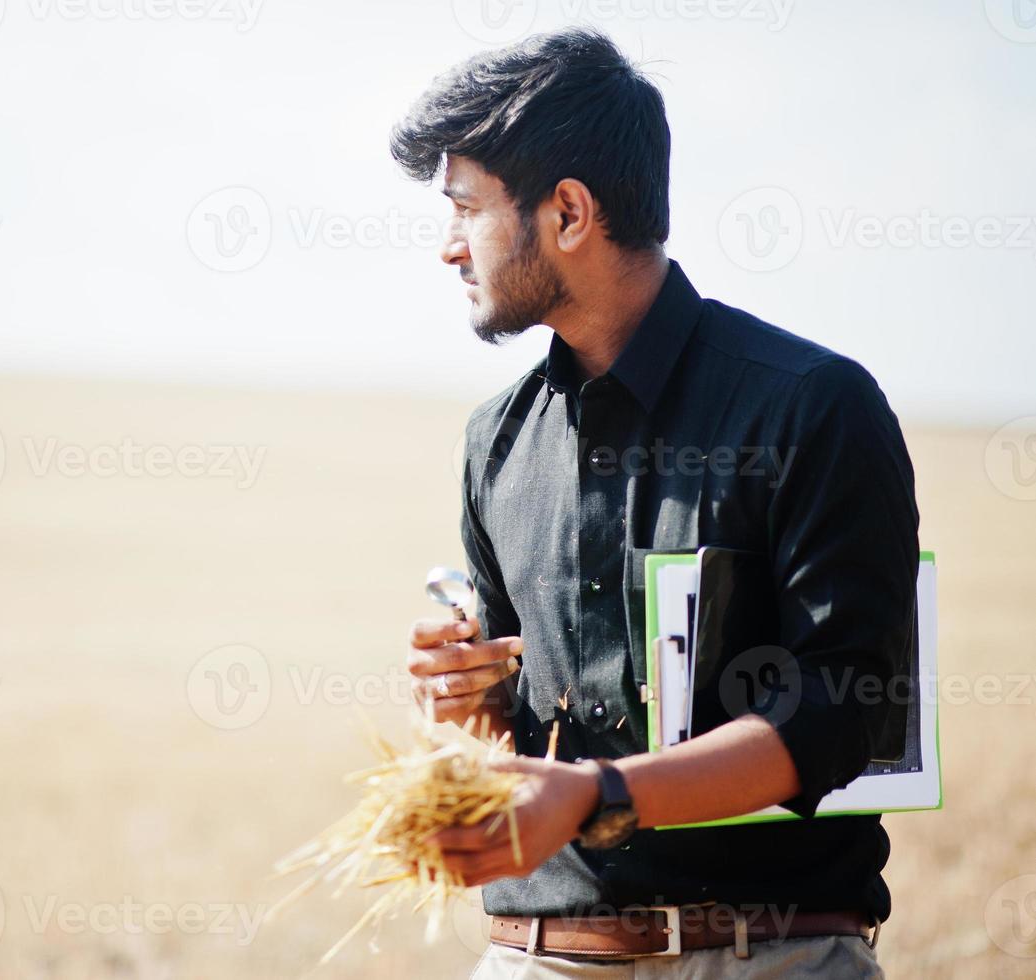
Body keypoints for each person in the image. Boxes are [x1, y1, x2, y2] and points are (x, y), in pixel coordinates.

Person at [392, 28, 918, 978]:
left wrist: (596, 792)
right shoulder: (495, 442)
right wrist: (467, 699)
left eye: (464, 210)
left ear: (567, 212)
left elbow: (840, 713)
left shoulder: (809, 406)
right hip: (532, 960)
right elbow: (517, 747)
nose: (445, 249)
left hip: (766, 960)